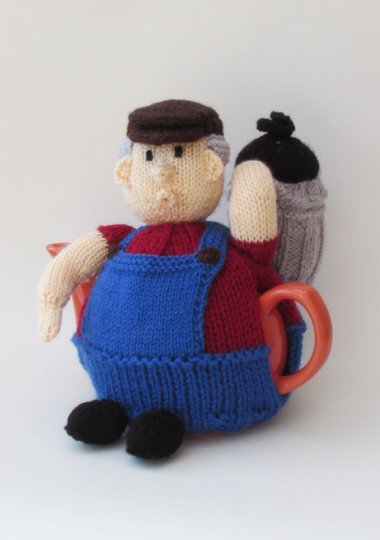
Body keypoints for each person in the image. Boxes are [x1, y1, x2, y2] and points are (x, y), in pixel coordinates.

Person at [38, 99, 304, 460]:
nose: (162, 169)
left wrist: (253, 187)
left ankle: (163, 419)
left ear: (211, 165)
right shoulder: (120, 239)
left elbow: (259, 253)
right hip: (112, 377)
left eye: (179, 154)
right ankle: (113, 407)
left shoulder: (225, 250)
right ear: (128, 169)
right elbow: (69, 262)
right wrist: (52, 298)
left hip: (217, 385)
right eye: (149, 157)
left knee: (159, 428)